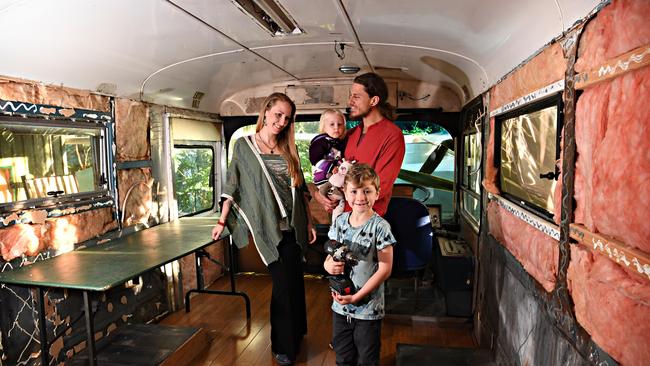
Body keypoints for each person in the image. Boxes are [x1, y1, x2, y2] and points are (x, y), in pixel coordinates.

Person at [211, 92, 317, 366]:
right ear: (266, 111)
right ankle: (282, 346)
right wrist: (222, 221)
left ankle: (297, 332)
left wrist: (311, 222)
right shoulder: (245, 146)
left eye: (287, 118)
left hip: (294, 226)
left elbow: (301, 190)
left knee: (294, 281)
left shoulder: (289, 149)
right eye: (278, 114)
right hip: (269, 229)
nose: (281, 122)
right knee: (282, 285)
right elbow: (232, 185)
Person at [324, 163, 395, 366]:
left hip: (368, 309)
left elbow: (385, 269)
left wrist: (356, 296)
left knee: (366, 358)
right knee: (343, 356)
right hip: (340, 306)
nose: (360, 197)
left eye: (367, 191)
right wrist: (327, 266)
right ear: (345, 193)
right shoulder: (339, 222)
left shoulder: (381, 227)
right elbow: (330, 254)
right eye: (354, 191)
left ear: (377, 193)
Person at [315, 73, 405, 217]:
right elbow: (331, 166)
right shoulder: (349, 134)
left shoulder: (393, 136)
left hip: (367, 226)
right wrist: (321, 193)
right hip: (340, 221)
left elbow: (381, 187)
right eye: (351, 96)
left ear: (373, 100)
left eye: (356, 96)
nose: (350, 101)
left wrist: (341, 192)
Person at [309, 108, 347, 195]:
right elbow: (316, 159)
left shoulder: (338, 142)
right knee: (338, 195)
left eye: (340, 124)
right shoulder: (320, 142)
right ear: (324, 127)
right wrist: (332, 167)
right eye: (332, 124)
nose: (336, 127)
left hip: (335, 176)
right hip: (323, 177)